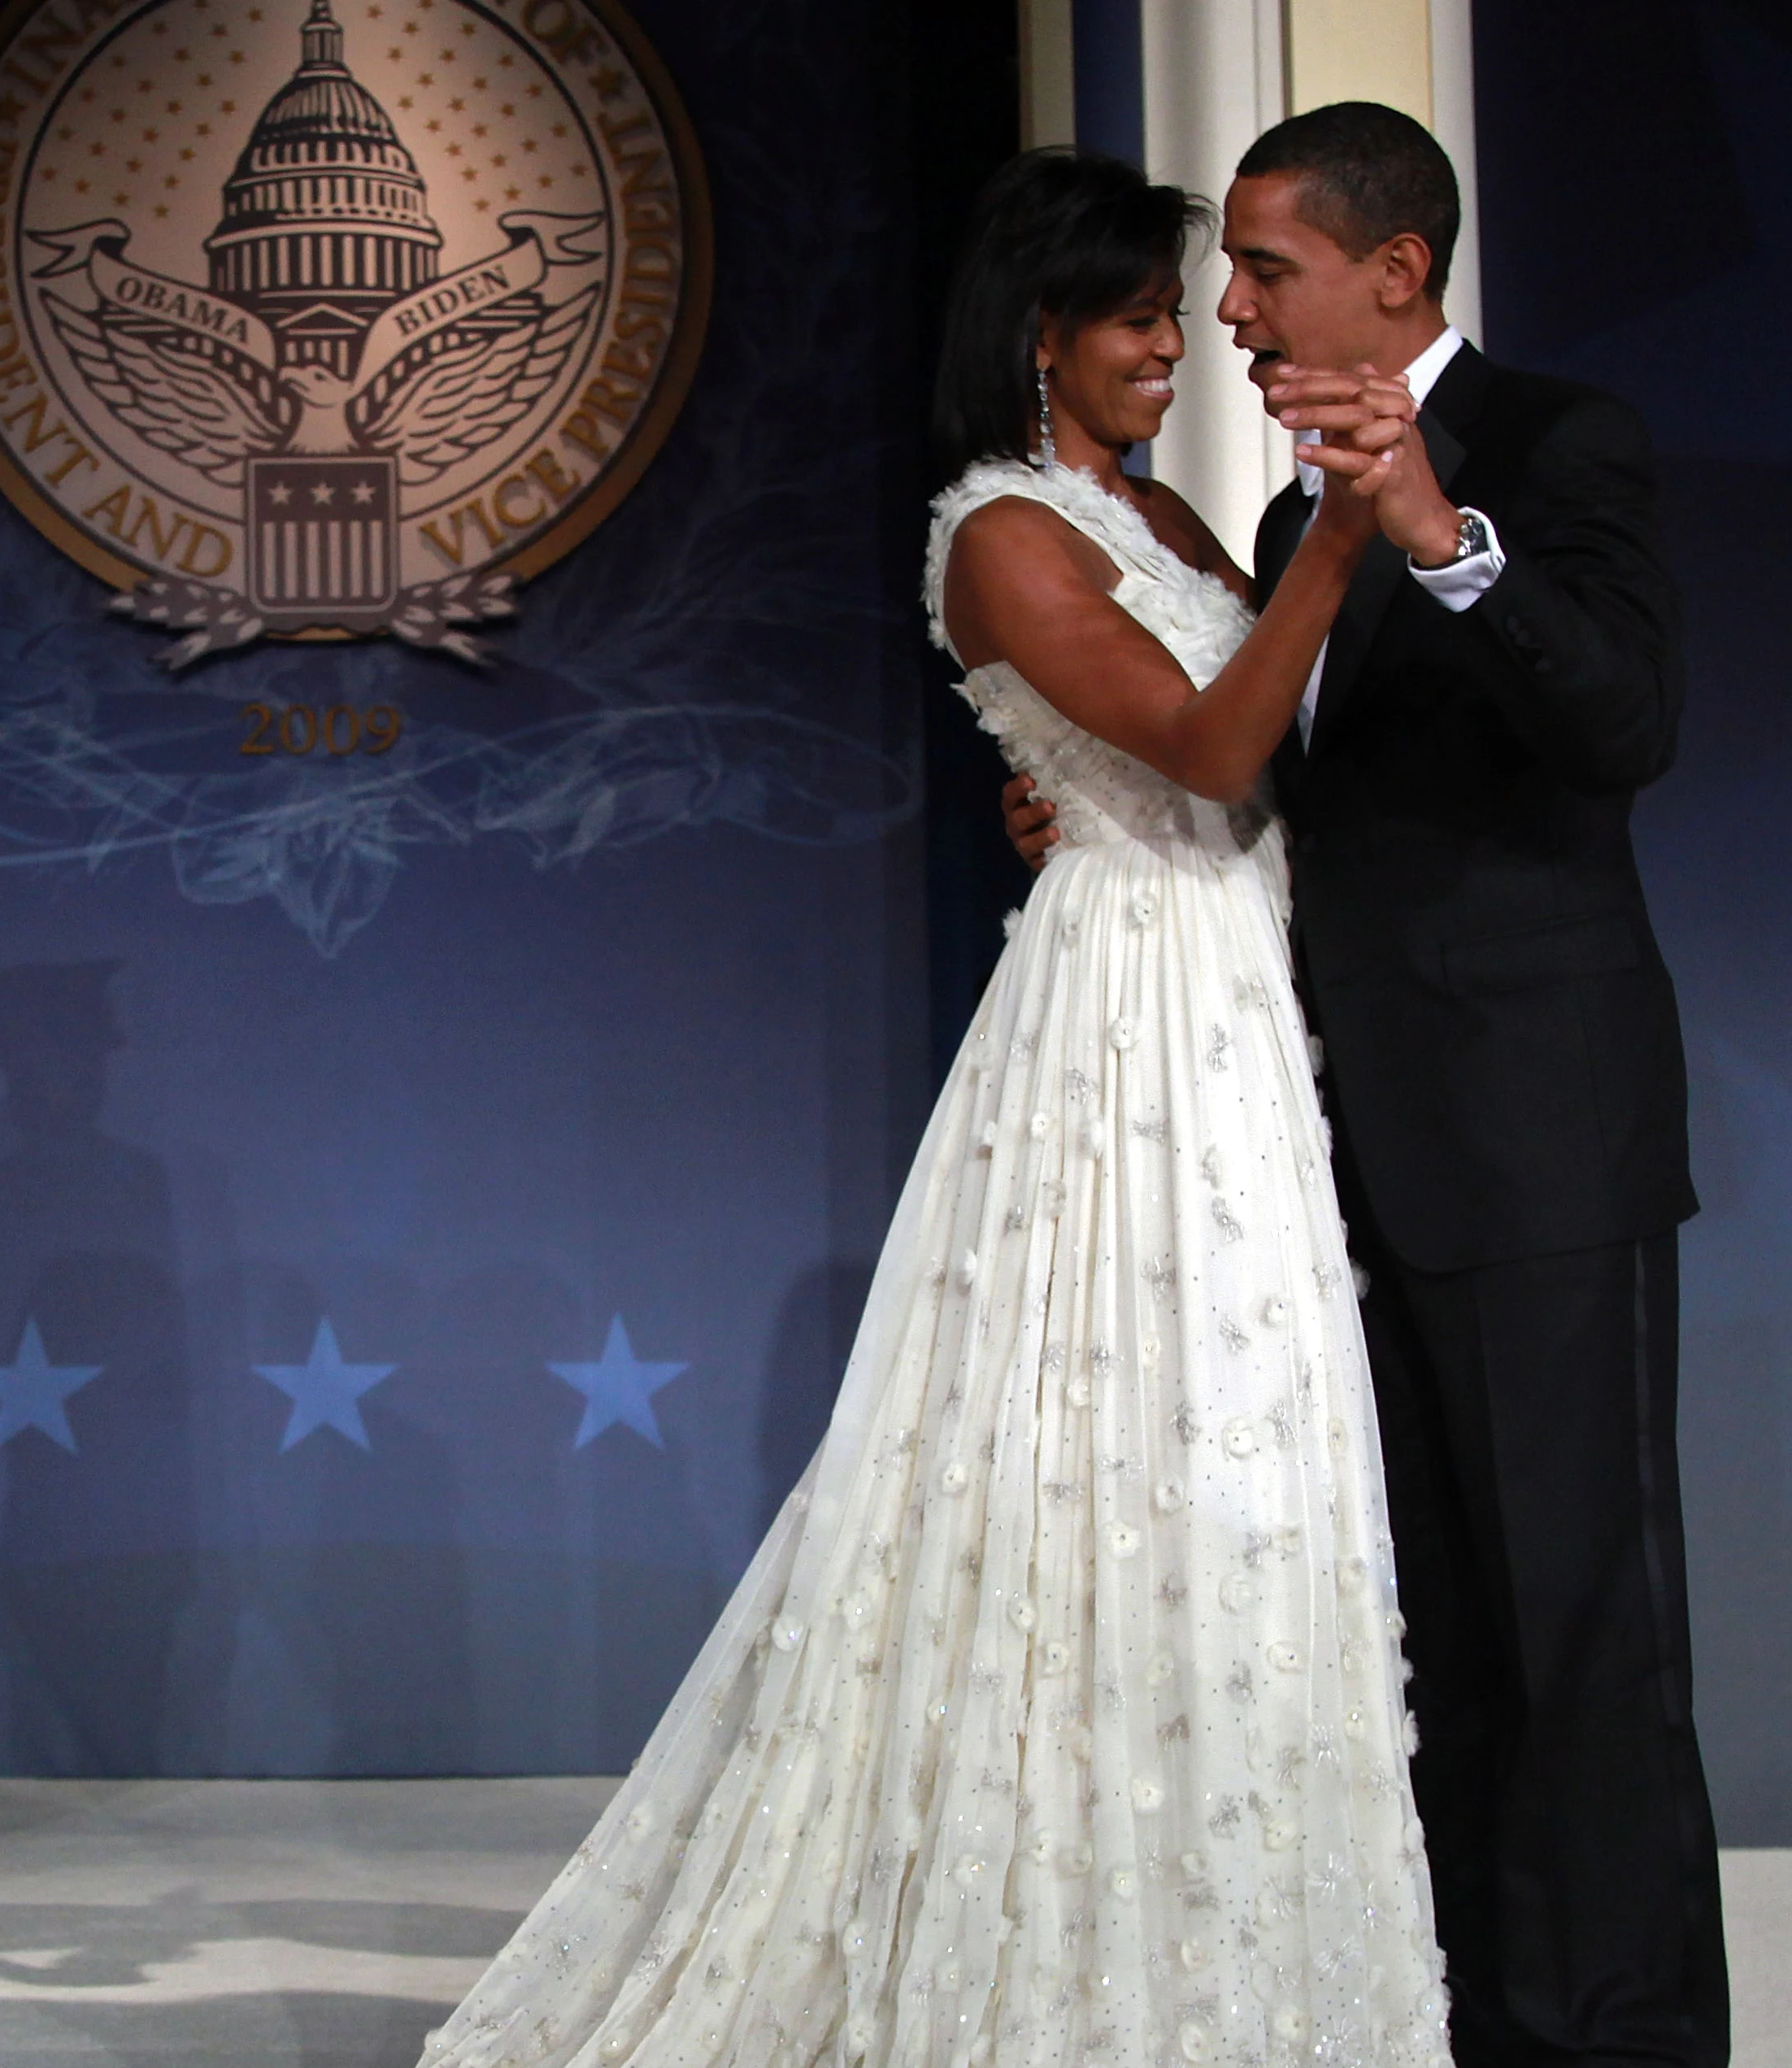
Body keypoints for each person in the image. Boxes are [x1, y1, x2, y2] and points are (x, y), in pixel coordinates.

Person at [420, 149, 1446, 2068]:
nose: (1173, 345)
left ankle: (1222, 1935)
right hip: (1123, 1022)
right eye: (1140, 316)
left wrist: (1253, 607)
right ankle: (1042, 1931)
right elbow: (1218, 749)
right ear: (1042, 332)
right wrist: (1338, 531)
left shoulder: (1148, 514)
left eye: (1177, 311)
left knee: (1241, 1453)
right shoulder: (1001, 532)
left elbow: (1262, 756)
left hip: (1231, 1003)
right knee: (1104, 1454)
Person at [1010, 102, 1720, 2068]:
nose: (1226, 307)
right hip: (1346, 1152)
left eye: (1263, 265)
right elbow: (1299, 800)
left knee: (1585, 1635)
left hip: (1538, 1140)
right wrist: (1101, 809)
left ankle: (1633, 2038)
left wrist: (1444, 540)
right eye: (1227, 274)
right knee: (1446, 1646)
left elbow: (1626, 723)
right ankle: (1489, 2023)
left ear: (1394, 272)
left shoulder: (1559, 443)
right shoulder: (1272, 522)